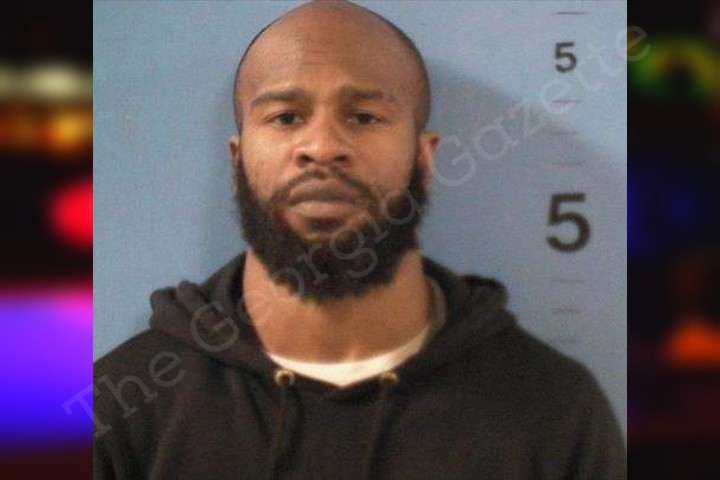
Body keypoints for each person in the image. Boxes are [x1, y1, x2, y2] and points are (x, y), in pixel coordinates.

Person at [93, 1, 626, 478]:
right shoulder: (120, 410)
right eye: (285, 117)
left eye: (365, 116)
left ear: (424, 158)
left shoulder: (553, 412)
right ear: (237, 162)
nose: (323, 146)